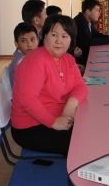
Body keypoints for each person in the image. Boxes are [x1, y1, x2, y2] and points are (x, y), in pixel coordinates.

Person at [11, 15, 88, 156]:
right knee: (83, 144)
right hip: (31, 127)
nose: (59, 40)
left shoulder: (68, 59)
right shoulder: (35, 61)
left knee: (93, 129)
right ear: (45, 36)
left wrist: (70, 105)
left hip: (60, 114)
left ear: (71, 40)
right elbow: (27, 100)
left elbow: (81, 86)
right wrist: (53, 122)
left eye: (64, 36)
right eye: (54, 35)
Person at [74, 0, 109, 65]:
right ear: (88, 11)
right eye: (97, 10)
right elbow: (88, 42)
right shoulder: (80, 22)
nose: (99, 13)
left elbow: (96, 34)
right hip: (80, 62)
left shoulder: (87, 21)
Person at [7, 22, 38, 87]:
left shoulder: (23, 53)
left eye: (32, 39)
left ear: (38, 40)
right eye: (24, 41)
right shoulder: (21, 61)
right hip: (25, 91)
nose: (29, 44)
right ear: (16, 44)